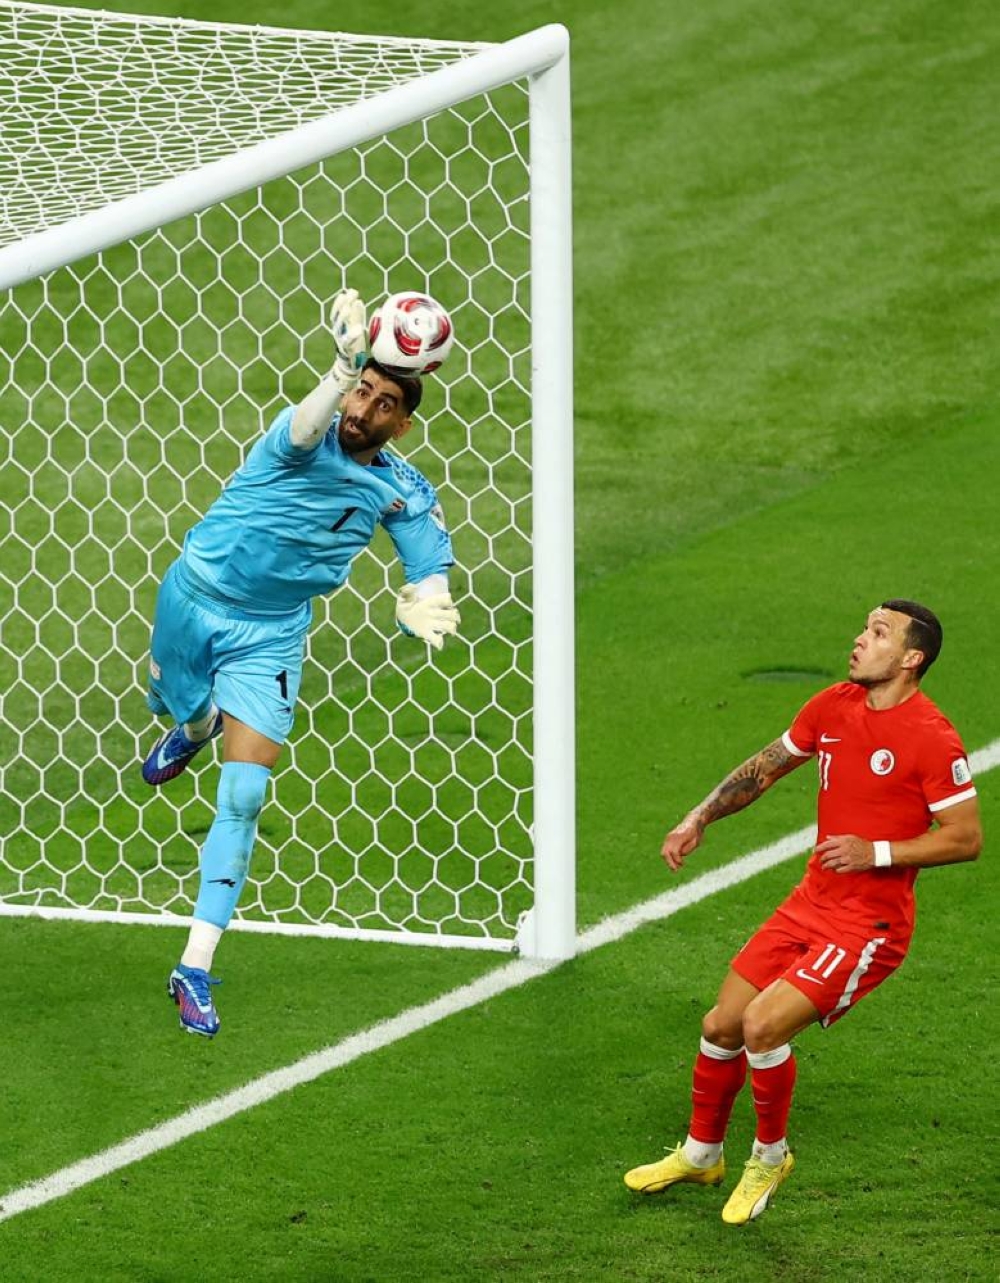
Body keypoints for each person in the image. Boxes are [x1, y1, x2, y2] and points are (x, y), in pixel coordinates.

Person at [141, 288, 461, 1038]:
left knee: (246, 795)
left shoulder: (402, 489)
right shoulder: (301, 436)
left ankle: (194, 964)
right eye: (362, 390)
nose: (363, 409)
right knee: (183, 712)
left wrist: (428, 598)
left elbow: (430, 564)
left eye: (383, 403)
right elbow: (307, 421)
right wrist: (338, 367)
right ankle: (193, 725)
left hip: (272, 636)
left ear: (403, 421)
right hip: (193, 599)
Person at [624, 600, 981, 1225]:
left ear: (911, 657)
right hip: (809, 903)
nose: (859, 640)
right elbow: (765, 768)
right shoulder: (833, 705)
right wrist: (698, 816)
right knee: (721, 1027)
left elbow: (964, 837)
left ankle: (770, 1154)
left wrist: (877, 851)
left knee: (763, 1025)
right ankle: (703, 1154)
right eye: (864, 628)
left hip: (869, 926)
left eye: (878, 634)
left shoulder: (931, 736)